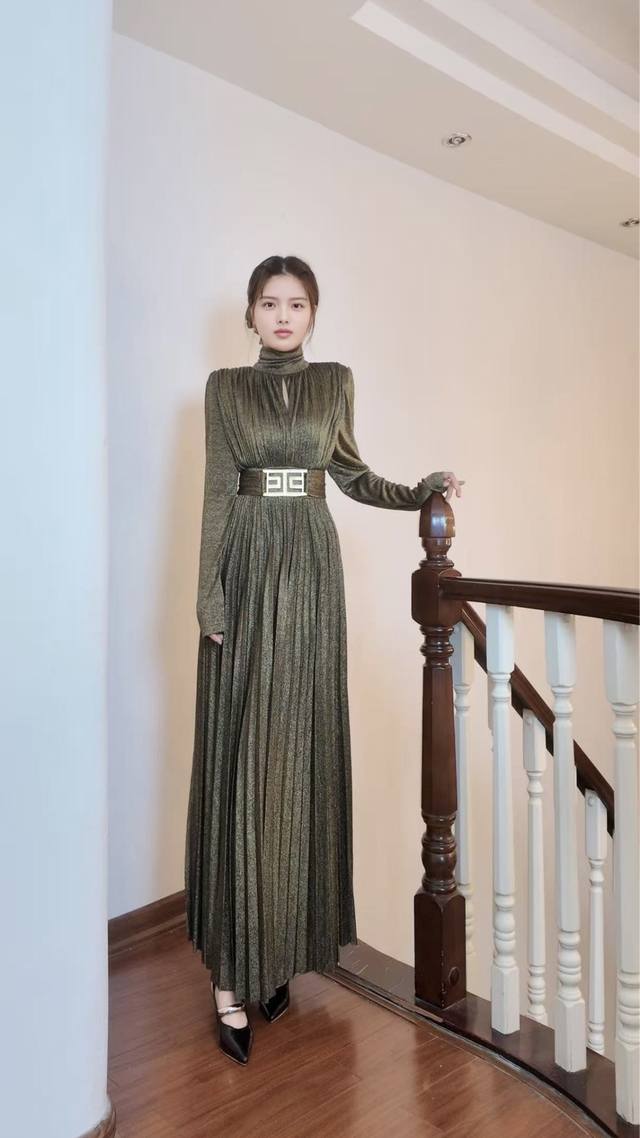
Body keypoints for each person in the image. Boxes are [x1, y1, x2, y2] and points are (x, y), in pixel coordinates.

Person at [184, 254, 464, 1065]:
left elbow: (352, 475)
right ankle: (231, 980)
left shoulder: (335, 382)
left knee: (297, 758)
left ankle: (278, 957)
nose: (282, 315)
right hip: (247, 564)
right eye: (269, 303)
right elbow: (216, 492)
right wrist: (209, 598)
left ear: (313, 314)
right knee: (244, 762)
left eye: (297, 304)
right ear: (250, 313)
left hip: (310, 569)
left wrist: (418, 491)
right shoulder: (223, 389)